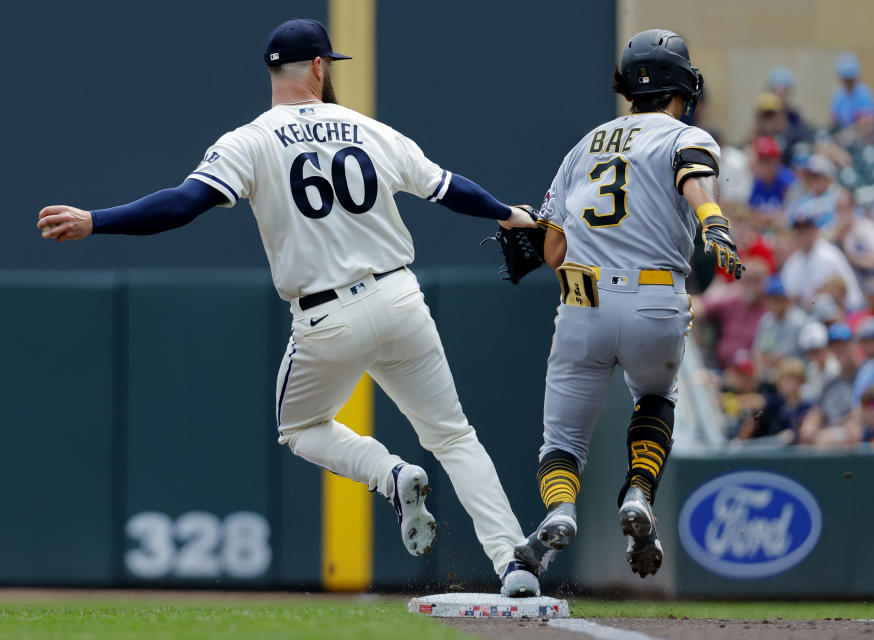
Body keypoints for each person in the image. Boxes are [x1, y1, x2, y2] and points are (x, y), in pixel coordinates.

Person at [36, 18, 541, 597]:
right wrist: (507, 212)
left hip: (327, 317)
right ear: (321, 68)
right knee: (454, 437)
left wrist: (94, 220)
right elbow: (451, 188)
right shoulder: (369, 129)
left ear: (274, 70)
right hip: (401, 299)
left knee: (299, 426)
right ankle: (514, 563)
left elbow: (179, 206)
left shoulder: (249, 140)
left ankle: (390, 476)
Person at [513, 29, 743, 580]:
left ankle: (561, 508)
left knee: (562, 440)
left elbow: (551, 246)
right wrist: (711, 220)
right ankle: (639, 493)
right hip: (657, 302)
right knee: (655, 398)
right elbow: (694, 174)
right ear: (683, 85)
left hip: (582, 301)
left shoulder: (582, 146)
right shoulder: (683, 135)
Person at [780, 211, 864, 310]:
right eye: (798, 230)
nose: (802, 235)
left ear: (814, 230)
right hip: (806, 316)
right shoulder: (791, 264)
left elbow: (852, 292)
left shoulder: (830, 254)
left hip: (837, 312)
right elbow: (790, 298)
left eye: (805, 229)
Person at [698, 258, 769, 369]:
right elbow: (698, 307)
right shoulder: (732, 300)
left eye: (756, 280)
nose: (751, 286)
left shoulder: (769, 309)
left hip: (751, 370)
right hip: (720, 365)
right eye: (747, 279)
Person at [735, 357, 810, 443]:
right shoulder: (777, 404)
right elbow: (757, 405)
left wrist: (793, 434)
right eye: (783, 379)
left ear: (800, 381)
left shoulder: (807, 407)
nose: (786, 383)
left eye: (791, 379)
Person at [752, 274, 807, 378]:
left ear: (786, 299)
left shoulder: (797, 320)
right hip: (769, 372)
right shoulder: (766, 320)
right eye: (770, 298)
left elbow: (784, 355)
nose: (773, 302)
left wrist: (766, 360)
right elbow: (758, 351)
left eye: (777, 298)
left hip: (792, 373)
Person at [748, 136, 794, 216]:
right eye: (762, 161)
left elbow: (790, 213)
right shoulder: (754, 181)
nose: (766, 166)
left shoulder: (788, 181)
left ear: (777, 160)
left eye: (769, 160)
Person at [830, 53, 874, 129]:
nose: (848, 82)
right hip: (843, 133)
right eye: (845, 79)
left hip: (861, 134)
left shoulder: (864, 93)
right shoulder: (838, 95)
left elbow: (870, 119)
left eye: (850, 79)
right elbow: (834, 118)